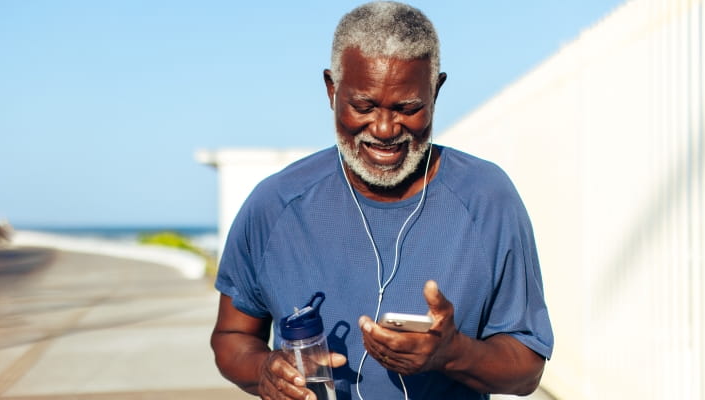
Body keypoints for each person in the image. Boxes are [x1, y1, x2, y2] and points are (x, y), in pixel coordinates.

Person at [210, 2, 554, 399]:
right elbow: (232, 336)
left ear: (436, 90)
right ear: (331, 89)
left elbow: (527, 371)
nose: (386, 129)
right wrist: (265, 370)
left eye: (408, 108)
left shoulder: (487, 199)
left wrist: (453, 353)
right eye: (364, 106)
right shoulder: (275, 204)